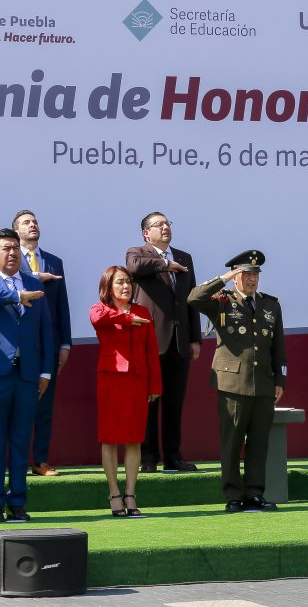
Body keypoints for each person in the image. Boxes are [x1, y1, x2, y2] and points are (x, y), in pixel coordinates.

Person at [189, 250, 286, 512]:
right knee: (232, 441)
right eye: (245, 274)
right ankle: (233, 495)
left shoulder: (270, 304)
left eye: (255, 274)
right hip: (232, 382)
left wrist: (280, 380)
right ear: (235, 277)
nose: (252, 279)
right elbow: (194, 298)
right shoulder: (221, 302)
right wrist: (224, 277)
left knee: (258, 442)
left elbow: (278, 347)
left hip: (264, 383)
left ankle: (255, 494)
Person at [0, 228, 54, 522]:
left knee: (21, 439)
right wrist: (18, 295)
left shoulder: (34, 282)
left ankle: (18, 502)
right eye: (6, 248)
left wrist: (45, 371)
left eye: (16, 248)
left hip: (28, 373)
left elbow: (45, 330)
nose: (13, 253)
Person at [126, 211, 201, 472]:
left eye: (168, 223)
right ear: (147, 233)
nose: (166, 227)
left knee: (174, 402)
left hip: (179, 342)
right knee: (149, 402)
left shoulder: (184, 258)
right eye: (159, 224)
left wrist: (195, 338)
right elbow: (135, 268)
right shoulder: (137, 253)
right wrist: (165, 265)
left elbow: (191, 300)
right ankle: (148, 457)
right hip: (151, 341)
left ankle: (173, 455)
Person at [90, 266, 161, 517]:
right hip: (110, 380)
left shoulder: (143, 311)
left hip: (137, 381)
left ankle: (130, 493)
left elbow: (151, 351)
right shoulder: (101, 309)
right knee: (109, 439)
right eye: (120, 282)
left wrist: (155, 386)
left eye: (128, 282)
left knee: (134, 439)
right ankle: (114, 493)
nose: (126, 287)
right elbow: (98, 320)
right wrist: (127, 318)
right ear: (108, 287)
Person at [14, 210, 72, 478]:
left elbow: (62, 305)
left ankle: (40, 460)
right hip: (21, 344)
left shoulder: (54, 261)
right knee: (19, 404)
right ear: (16, 232)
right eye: (26, 222)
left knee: (45, 404)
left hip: (50, 343)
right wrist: (38, 279)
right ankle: (16, 460)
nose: (33, 225)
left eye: (35, 221)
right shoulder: (11, 261)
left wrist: (65, 344)